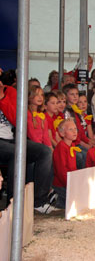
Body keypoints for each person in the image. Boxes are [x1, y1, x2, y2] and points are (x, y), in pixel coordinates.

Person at [0, 78, 55, 213]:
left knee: (45, 152)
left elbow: (16, 119)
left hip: (11, 139)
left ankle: (38, 201)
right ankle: (14, 204)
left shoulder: (10, 92)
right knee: (17, 153)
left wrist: (2, 98)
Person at [52, 118, 81, 210]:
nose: (74, 131)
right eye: (70, 129)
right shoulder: (61, 147)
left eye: (75, 129)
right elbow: (61, 171)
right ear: (62, 133)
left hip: (70, 182)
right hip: (62, 184)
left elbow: (73, 168)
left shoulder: (72, 146)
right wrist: (70, 185)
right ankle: (56, 198)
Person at [27, 85, 52, 150]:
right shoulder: (28, 114)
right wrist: (42, 147)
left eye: (42, 95)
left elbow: (45, 136)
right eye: (37, 95)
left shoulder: (41, 115)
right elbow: (31, 134)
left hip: (41, 146)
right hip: (32, 145)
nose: (40, 97)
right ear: (30, 96)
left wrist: (50, 148)